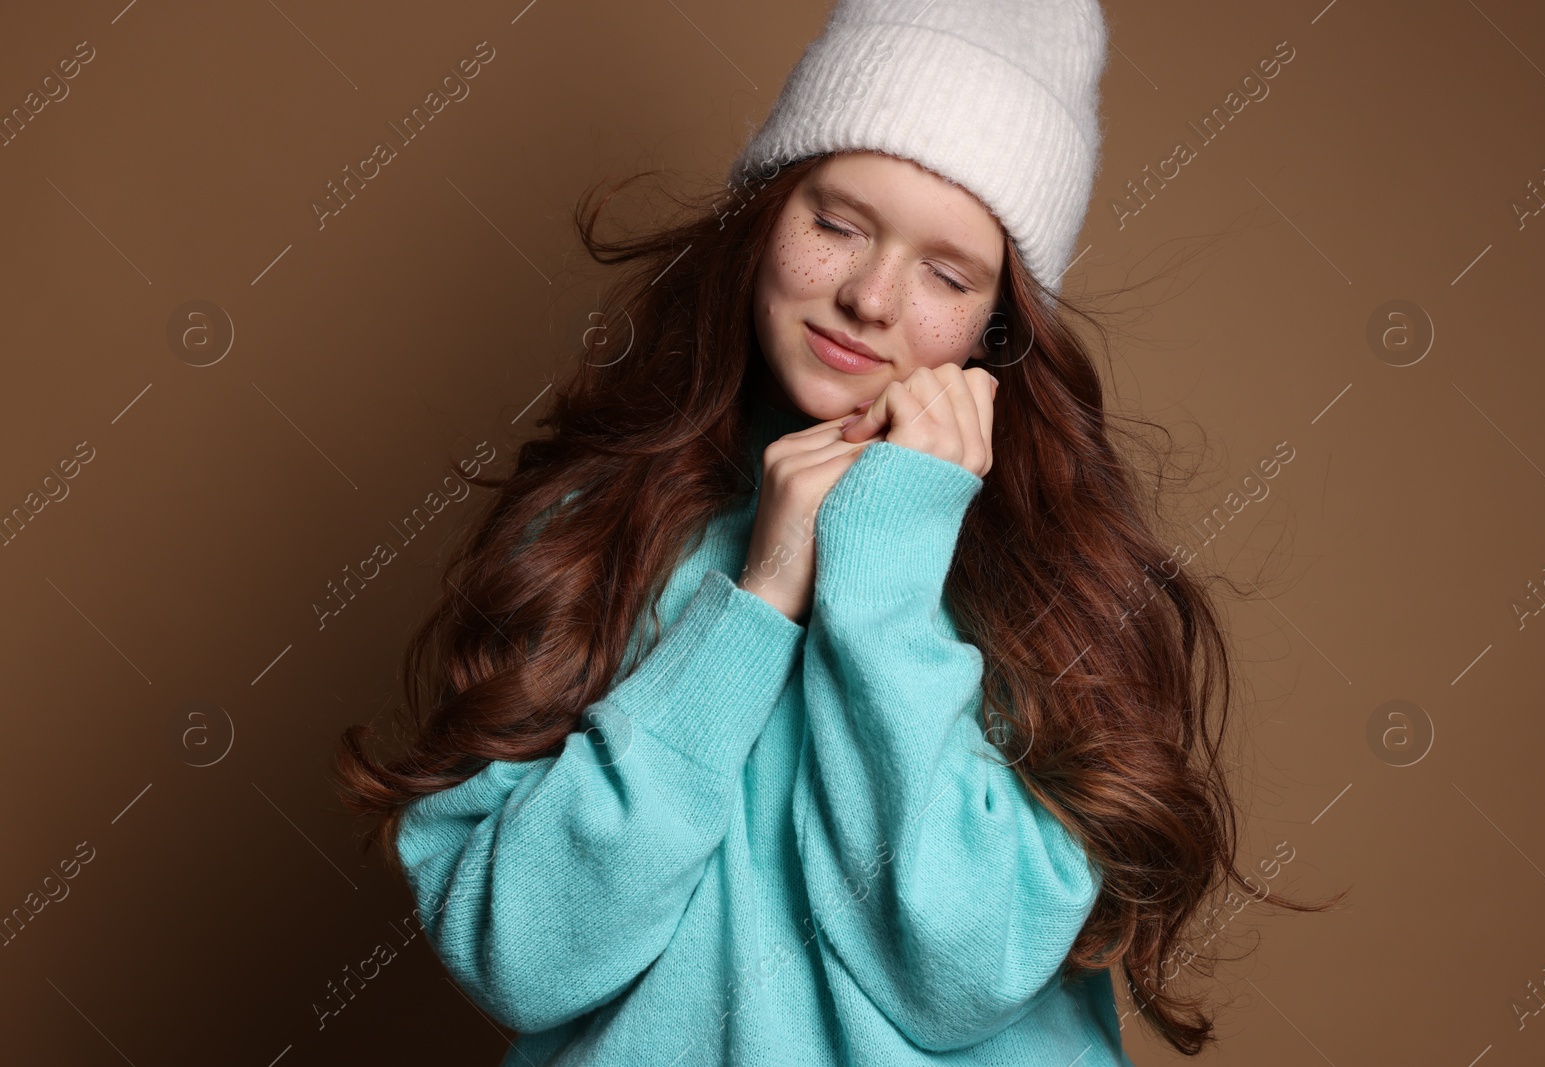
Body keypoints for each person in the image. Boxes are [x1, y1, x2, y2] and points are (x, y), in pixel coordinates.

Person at [334, 0, 1336, 1062]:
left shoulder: (1051, 586)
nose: (868, 295)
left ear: (1001, 321)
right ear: (764, 214)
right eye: (837, 224)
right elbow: (524, 958)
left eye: (945, 275)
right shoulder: (595, 531)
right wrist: (756, 603)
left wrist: (884, 576)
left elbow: (959, 968)